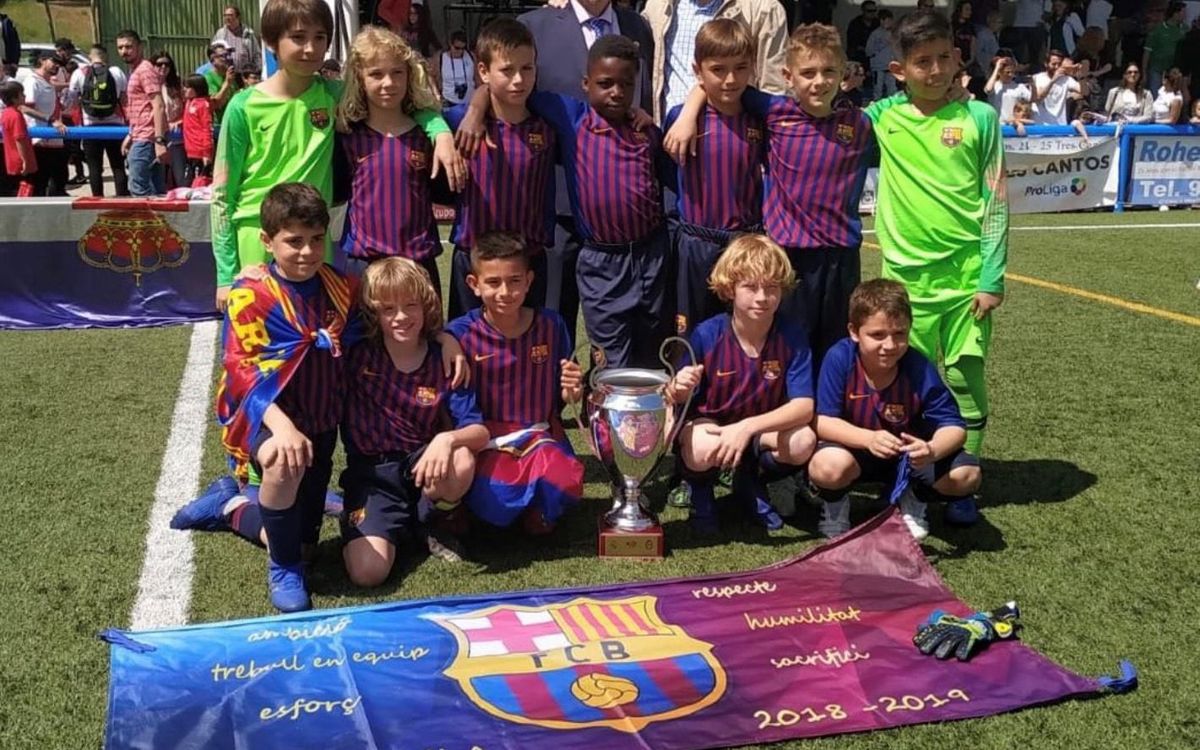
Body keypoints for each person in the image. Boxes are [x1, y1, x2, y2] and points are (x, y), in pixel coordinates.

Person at [210, 0, 463, 312]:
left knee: (318, 334)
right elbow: (222, 195)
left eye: (319, 38)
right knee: (259, 336)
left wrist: (440, 132)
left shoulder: (335, 93)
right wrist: (225, 274)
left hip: (315, 239)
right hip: (258, 236)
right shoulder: (243, 106)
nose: (310, 48)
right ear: (272, 41)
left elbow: (406, 103)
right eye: (298, 37)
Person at [173, 182, 355, 613]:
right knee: (282, 463)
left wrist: (443, 340)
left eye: (316, 239)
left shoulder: (340, 286)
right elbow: (241, 371)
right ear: (267, 241)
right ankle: (284, 568)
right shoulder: (251, 294)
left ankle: (231, 505)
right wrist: (281, 426)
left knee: (304, 542)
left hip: (320, 417)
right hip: (266, 418)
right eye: (294, 241)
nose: (308, 251)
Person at [864, 9, 1007, 527]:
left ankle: (964, 473)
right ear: (899, 70)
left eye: (944, 58)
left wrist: (992, 277)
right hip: (905, 284)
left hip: (967, 278)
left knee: (966, 377)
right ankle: (913, 480)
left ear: (958, 58)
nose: (936, 70)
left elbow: (996, 201)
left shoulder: (980, 119)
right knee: (909, 385)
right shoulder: (881, 117)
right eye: (922, 62)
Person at [668, 22, 873, 367]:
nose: (819, 81)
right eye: (808, 72)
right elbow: (714, 82)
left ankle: (824, 401)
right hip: (781, 253)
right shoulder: (776, 114)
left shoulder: (861, 123)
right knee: (757, 340)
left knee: (833, 345)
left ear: (844, 73)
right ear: (788, 76)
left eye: (828, 71)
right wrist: (689, 111)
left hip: (836, 256)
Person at [516, 35, 672, 370]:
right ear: (586, 84)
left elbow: (670, 184)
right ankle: (603, 402)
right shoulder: (573, 119)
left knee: (651, 357)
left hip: (652, 257)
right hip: (602, 263)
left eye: (626, 85)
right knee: (610, 360)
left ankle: (646, 406)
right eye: (605, 83)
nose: (616, 92)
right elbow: (516, 91)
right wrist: (475, 108)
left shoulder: (646, 132)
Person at [340, 258, 490, 581]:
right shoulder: (357, 353)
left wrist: (446, 438)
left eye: (411, 305)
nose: (401, 317)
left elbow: (479, 431)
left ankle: (430, 521)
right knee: (367, 574)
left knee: (462, 459)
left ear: (426, 305)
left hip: (423, 466)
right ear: (373, 312)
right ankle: (374, 521)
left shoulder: (445, 360)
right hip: (373, 475)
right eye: (388, 309)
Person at [809, 279, 981, 540]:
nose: (890, 345)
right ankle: (835, 505)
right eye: (877, 335)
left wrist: (931, 450)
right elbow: (823, 422)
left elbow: (955, 427)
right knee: (826, 466)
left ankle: (914, 496)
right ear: (854, 332)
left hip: (909, 459)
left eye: (899, 334)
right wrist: (868, 439)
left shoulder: (917, 365)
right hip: (855, 452)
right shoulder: (840, 358)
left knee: (967, 475)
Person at [668, 234, 816, 533]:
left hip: (759, 430)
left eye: (771, 287)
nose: (762, 297)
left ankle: (751, 480)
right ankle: (701, 490)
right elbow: (675, 398)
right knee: (700, 445)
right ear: (730, 289)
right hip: (715, 427)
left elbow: (804, 407)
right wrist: (679, 386)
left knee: (803, 440)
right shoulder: (707, 334)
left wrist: (747, 428)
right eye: (750, 287)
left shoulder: (792, 335)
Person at [444, 232, 585, 534]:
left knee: (567, 481)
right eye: (493, 282)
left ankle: (535, 508)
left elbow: (566, 393)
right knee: (496, 502)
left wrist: (572, 391)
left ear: (529, 280)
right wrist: (444, 339)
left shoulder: (552, 325)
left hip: (539, 434)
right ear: (474, 284)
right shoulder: (459, 335)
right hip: (487, 440)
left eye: (515, 281)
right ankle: (472, 506)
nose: (505, 292)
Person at [445, 21, 558, 319]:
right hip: (473, 259)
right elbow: (420, 115)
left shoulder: (547, 127)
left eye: (527, 68)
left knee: (527, 340)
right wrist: (473, 111)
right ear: (483, 71)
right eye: (507, 70)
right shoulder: (457, 123)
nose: (519, 80)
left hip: (528, 261)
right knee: (467, 342)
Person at [662, 18, 765, 337]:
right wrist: (689, 110)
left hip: (744, 243)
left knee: (744, 333)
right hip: (697, 243)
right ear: (698, 70)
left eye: (740, 68)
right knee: (690, 333)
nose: (730, 79)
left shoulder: (760, 119)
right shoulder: (682, 119)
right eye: (718, 69)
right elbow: (667, 177)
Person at [335, 26, 445, 280]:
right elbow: (338, 194)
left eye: (397, 72)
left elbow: (442, 194)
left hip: (417, 263)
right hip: (365, 267)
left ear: (409, 75)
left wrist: (443, 134)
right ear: (359, 78)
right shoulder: (347, 135)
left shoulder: (426, 136)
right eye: (376, 74)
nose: (388, 83)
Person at [642, 0, 790, 122]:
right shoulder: (658, 6)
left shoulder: (764, 9)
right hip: (671, 134)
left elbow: (774, 88)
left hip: (736, 132)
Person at [67, 44, 129, 197]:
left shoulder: (79, 73)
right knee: (118, 166)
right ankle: (122, 198)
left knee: (94, 167)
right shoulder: (116, 72)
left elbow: (72, 99)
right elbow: (124, 98)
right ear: (105, 56)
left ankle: (97, 199)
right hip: (115, 126)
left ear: (90, 56)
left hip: (90, 126)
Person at [117, 30, 168, 197]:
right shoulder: (136, 71)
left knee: (138, 188)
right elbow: (142, 107)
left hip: (147, 138)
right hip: (141, 135)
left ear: (140, 47)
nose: (124, 51)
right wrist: (131, 134)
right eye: (120, 47)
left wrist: (159, 141)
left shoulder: (144, 70)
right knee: (155, 190)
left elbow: (158, 105)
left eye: (128, 47)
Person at [19, 51, 67, 196]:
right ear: (42, 60)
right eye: (54, 62)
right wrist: (50, 119)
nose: (57, 66)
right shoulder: (33, 81)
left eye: (59, 64)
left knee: (59, 178)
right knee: (40, 182)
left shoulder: (48, 82)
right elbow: (25, 107)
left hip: (55, 138)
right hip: (40, 140)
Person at [153, 51, 187, 189]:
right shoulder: (148, 85)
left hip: (176, 138)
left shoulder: (178, 85)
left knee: (181, 177)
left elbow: (188, 107)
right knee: (158, 179)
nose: (163, 67)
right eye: (159, 64)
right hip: (155, 137)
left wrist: (179, 121)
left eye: (167, 64)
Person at [1, 80, 37, 196]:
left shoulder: (6, 113)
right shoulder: (16, 116)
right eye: (22, 94)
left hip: (11, 160)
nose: (24, 96)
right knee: (24, 192)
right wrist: (25, 161)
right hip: (20, 162)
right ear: (14, 98)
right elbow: (19, 139)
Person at [1144, 1, 1187, 93]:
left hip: (1175, 71)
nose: (1185, 15)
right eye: (1183, 12)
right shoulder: (1158, 29)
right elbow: (1147, 51)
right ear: (1175, 14)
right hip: (1157, 69)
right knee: (1155, 96)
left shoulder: (1185, 29)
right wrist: (1144, 72)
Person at [1032, 49, 1082, 124]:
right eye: (1054, 64)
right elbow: (1038, 98)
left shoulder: (1066, 79)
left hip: (1060, 125)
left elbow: (1084, 91)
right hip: (1041, 125)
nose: (1056, 67)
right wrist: (1053, 80)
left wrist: (1081, 77)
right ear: (1046, 64)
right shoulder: (1037, 78)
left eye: (1059, 64)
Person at [182, 75, 214, 185]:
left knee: (199, 183)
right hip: (189, 151)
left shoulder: (203, 105)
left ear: (197, 88)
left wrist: (206, 153)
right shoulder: (188, 102)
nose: (184, 89)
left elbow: (207, 128)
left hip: (200, 151)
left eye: (188, 87)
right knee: (189, 181)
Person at [213, 5, 262, 74]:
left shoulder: (248, 33)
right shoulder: (220, 34)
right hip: (226, 74)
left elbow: (256, 54)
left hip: (244, 74)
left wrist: (257, 71)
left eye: (230, 15)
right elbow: (213, 53)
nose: (227, 18)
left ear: (238, 17)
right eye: (225, 15)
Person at [985, 53, 1032, 121]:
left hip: (1013, 124)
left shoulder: (1019, 87)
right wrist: (997, 68)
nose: (1011, 75)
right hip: (997, 123)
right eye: (1007, 72)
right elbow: (988, 90)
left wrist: (1033, 85)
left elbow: (1032, 99)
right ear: (999, 72)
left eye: (1013, 72)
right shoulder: (994, 85)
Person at [438, 30, 475, 107]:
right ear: (450, 44)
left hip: (469, 101)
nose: (460, 51)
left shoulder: (471, 56)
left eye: (463, 48)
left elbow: (478, 78)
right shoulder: (441, 57)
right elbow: (432, 76)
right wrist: (437, 95)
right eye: (457, 48)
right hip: (449, 101)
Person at [867, 9, 899, 100]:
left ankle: (893, 105)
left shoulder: (894, 33)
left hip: (891, 66)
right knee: (878, 88)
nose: (888, 23)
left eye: (890, 20)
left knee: (892, 89)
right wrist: (882, 44)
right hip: (878, 67)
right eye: (885, 20)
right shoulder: (875, 34)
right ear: (881, 21)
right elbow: (868, 51)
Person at [202, 43, 239, 116]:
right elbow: (216, 104)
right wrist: (227, 83)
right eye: (223, 56)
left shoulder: (230, 74)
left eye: (228, 55)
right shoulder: (208, 78)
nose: (228, 58)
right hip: (219, 121)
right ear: (213, 60)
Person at [846, 1, 880, 68]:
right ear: (863, 11)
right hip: (858, 57)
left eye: (874, 11)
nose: (872, 13)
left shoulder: (877, 23)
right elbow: (853, 43)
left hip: (874, 57)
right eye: (869, 11)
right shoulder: (855, 24)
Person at [951, 2, 978, 74]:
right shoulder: (952, 26)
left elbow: (973, 44)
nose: (969, 12)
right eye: (966, 9)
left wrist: (970, 60)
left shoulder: (971, 27)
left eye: (970, 10)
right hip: (954, 61)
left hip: (968, 63)